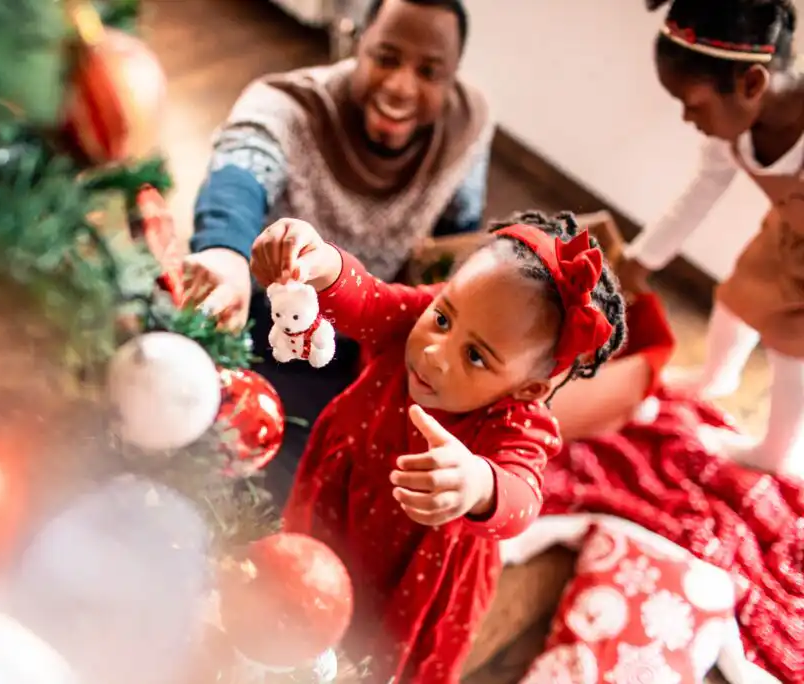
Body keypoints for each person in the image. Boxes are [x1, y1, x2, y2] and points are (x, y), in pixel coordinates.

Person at [250, 212, 627, 683]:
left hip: (416, 570)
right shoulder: (420, 319)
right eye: (443, 317)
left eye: (475, 356)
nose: (434, 352)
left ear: (528, 389)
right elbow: (367, 301)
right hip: (339, 501)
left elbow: (523, 498)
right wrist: (318, 261)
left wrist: (478, 483)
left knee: (373, 660)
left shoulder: (517, 420)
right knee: (300, 598)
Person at [182, 0, 493, 495]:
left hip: (364, 336)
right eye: (386, 58)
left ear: (453, 77)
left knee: (319, 479)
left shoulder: (470, 123)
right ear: (356, 46)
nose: (400, 87)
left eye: (430, 72)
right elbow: (241, 167)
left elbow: (459, 230)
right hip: (261, 318)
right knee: (193, 430)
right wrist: (225, 252)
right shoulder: (287, 105)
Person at [619, 0, 804, 476]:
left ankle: (777, 451)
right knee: (737, 299)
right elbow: (697, 196)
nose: (686, 118)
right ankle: (715, 378)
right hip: (789, 232)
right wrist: (641, 259)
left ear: (751, 85)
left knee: (791, 349)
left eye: (692, 104)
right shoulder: (734, 131)